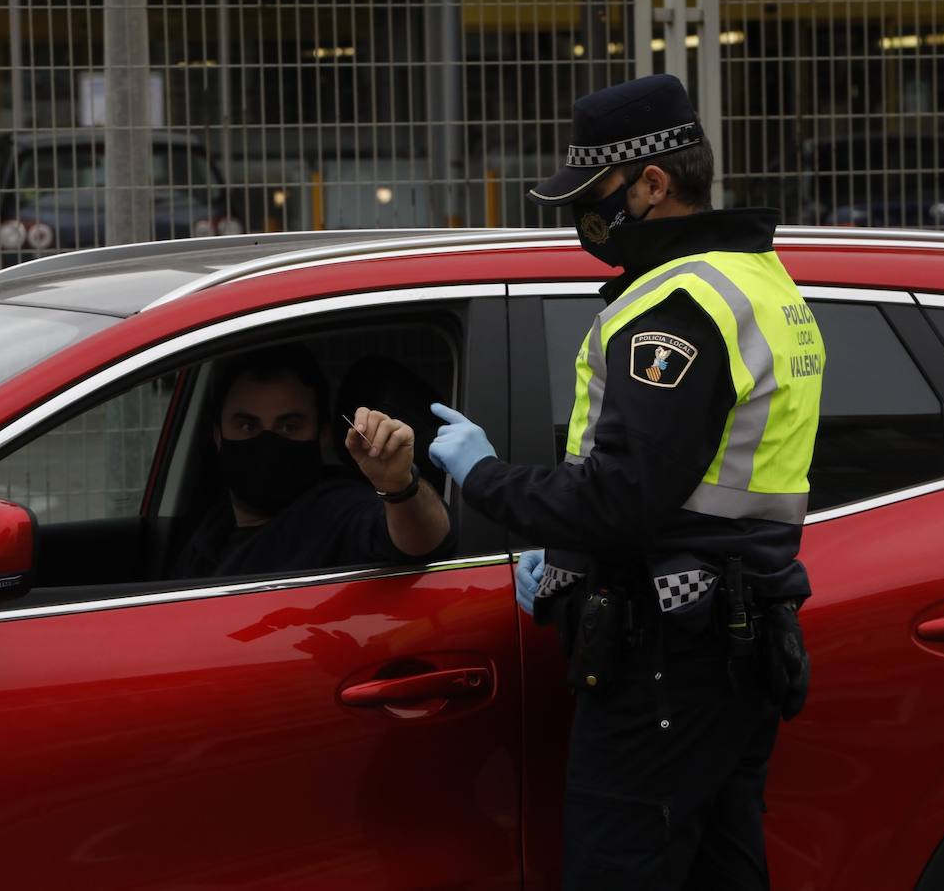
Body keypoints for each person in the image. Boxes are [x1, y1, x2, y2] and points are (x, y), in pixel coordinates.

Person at [428, 73, 824, 889]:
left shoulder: (677, 308)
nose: (585, 217)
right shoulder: (756, 280)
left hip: (666, 665)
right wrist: (571, 560)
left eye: (594, 194)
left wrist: (484, 476)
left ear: (653, 182)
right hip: (728, 646)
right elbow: (693, 490)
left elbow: (622, 498)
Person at [172, 343, 453, 579]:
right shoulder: (213, 525)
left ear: (322, 436)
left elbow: (423, 542)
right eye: (247, 426)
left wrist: (400, 487)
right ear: (218, 436)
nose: (267, 443)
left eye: (289, 427)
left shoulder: (338, 510)